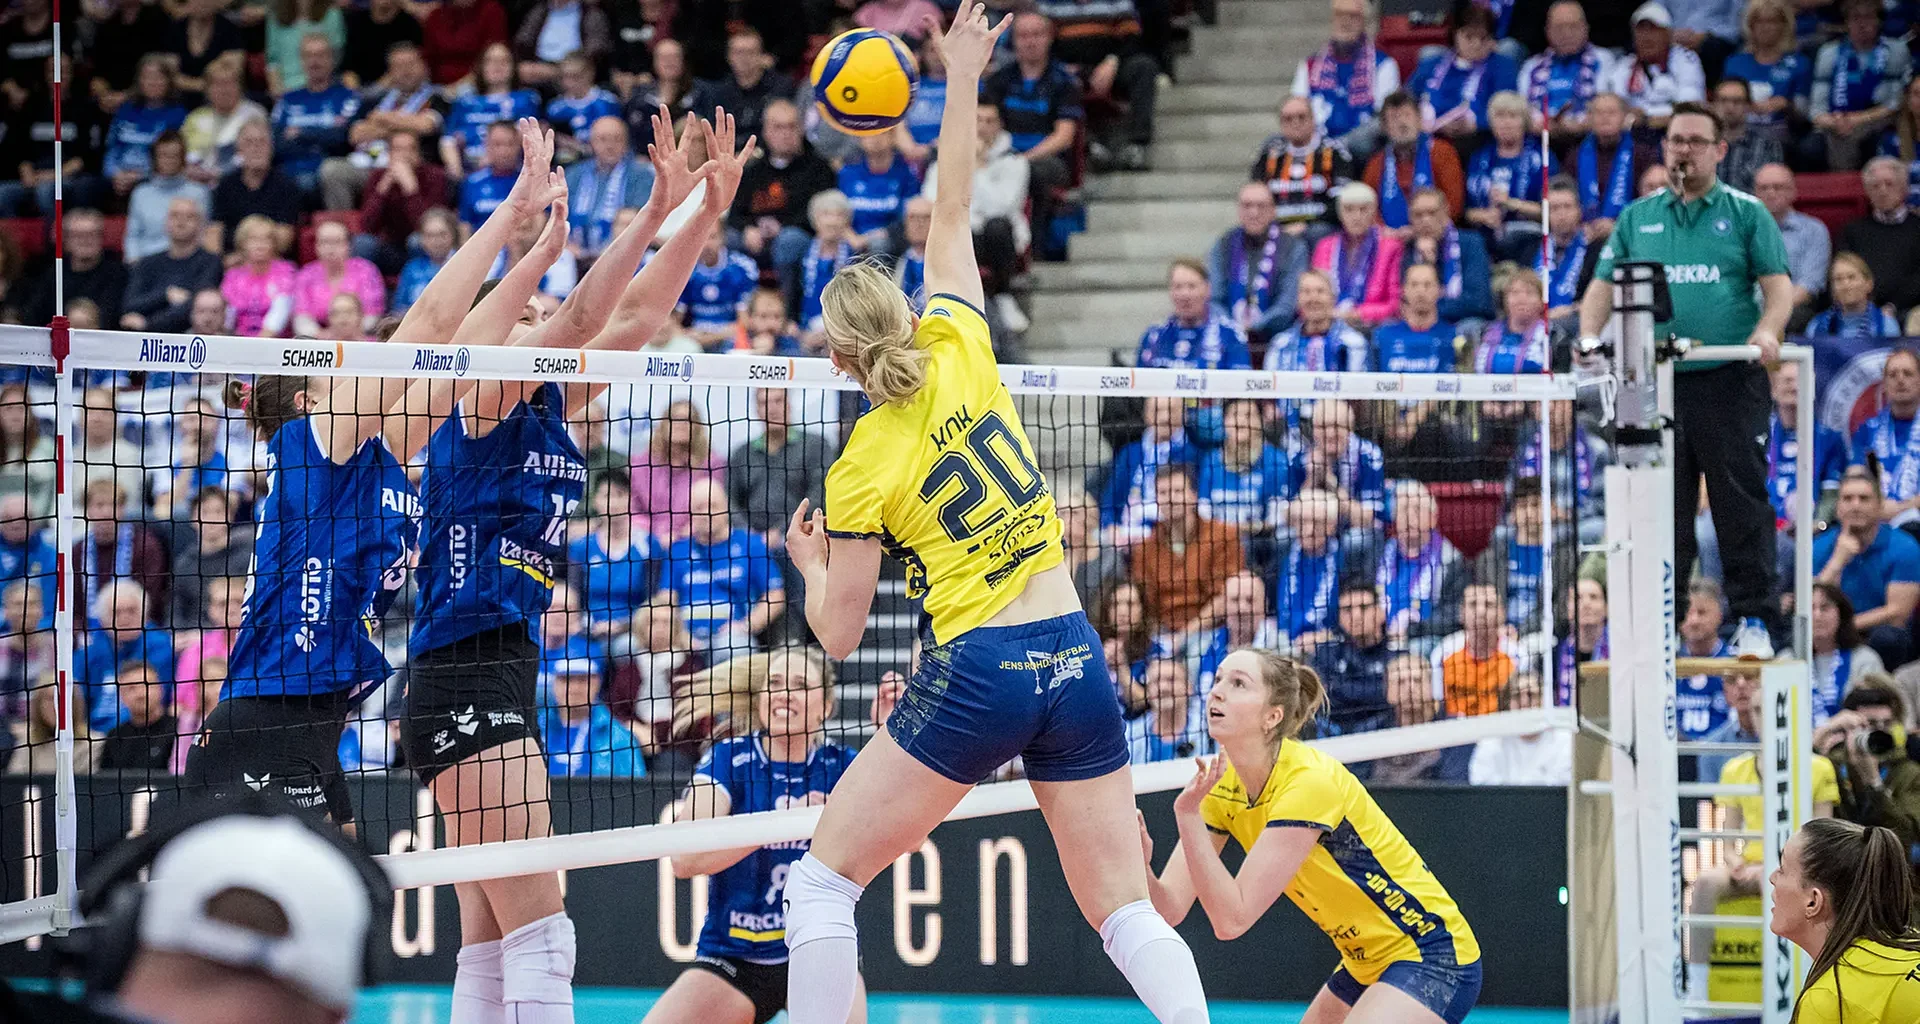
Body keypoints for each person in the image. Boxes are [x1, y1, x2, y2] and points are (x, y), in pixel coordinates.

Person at [778, 11, 1213, 1024]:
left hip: (981, 670)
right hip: (1072, 653)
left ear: (839, 357)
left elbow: (835, 636)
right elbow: (954, 196)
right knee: (1126, 912)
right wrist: (959, 70)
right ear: (903, 311)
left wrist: (808, 565)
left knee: (820, 883)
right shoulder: (959, 341)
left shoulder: (857, 466)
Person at [395, 110, 742, 1024]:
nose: (552, 320)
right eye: (537, 312)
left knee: (489, 928)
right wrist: (629, 215)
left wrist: (696, 211)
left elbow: (629, 318)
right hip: (464, 670)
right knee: (544, 930)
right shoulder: (484, 390)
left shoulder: (549, 398)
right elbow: (589, 313)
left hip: (499, 666)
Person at [1140, 649, 1481, 1023]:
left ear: (1273, 716)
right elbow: (1169, 908)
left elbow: (1231, 920)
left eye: (1238, 684)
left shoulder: (1307, 782)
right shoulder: (1221, 785)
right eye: (1219, 679)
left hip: (1431, 952)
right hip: (1363, 961)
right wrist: (1141, 865)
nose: (1217, 692)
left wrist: (1187, 816)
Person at [1582, 100, 1793, 657]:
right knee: (1661, 509)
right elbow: (1602, 287)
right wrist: (1587, 337)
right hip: (1653, 383)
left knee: (1739, 502)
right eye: (1676, 140)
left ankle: (1755, 623)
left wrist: (1769, 332)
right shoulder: (1637, 217)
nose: (1684, 150)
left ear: (1719, 151)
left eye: (1697, 141)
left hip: (1728, 377)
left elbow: (1778, 288)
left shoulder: (1747, 213)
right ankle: (1661, 626)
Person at [656, 648, 863, 1024]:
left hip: (816, 948)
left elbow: (910, 838)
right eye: (775, 684)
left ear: (826, 706)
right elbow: (685, 859)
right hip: (734, 960)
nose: (784, 694)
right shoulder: (728, 759)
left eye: (800, 686)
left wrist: (890, 738)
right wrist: (780, 822)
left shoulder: (843, 767)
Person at [1769, 818, 1920, 1021]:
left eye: (1783, 869)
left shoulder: (1831, 1000)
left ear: (1813, 902)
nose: (1772, 877)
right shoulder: (1908, 942)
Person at [981, 13, 1082, 255]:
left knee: (1033, 174)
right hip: (1001, 154)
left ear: (1049, 38)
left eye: (1036, 35)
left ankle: (1034, 250)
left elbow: (1064, 136)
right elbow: (982, 123)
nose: (1030, 41)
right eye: (1023, 36)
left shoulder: (1064, 82)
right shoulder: (999, 80)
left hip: (1047, 160)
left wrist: (1023, 160)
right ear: (1014, 41)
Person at [921, 102, 1031, 323]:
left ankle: (1003, 294)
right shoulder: (944, 161)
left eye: (989, 121)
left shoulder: (1015, 162)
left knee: (996, 227)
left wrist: (976, 166)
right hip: (961, 235)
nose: (982, 127)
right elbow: (930, 200)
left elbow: (1002, 206)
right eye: (977, 120)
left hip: (998, 239)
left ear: (1000, 125)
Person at [1815, 467, 1920, 670]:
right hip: (1828, 634)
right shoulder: (1820, 547)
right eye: (1848, 498)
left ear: (1880, 505)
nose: (1855, 505)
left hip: (1875, 634)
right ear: (1838, 507)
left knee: (1889, 637)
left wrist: (1843, 628)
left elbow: (1897, 613)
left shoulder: (1904, 547)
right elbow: (1810, 605)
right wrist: (1837, 562)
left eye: (1864, 499)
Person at [1130, 465, 1247, 640]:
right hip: (1162, 636)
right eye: (1163, 493)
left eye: (1178, 491)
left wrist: (1184, 637)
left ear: (1194, 495)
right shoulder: (1145, 549)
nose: (1171, 499)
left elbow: (1226, 597)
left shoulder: (1224, 536)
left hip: (1211, 633)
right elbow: (1146, 604)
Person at [730, 100, 837, 276]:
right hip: (756, 237)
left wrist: (782, 227)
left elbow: (820, 214)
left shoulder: (819, 169)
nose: (786, 133)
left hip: (798, 237)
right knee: (729, 239)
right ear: (766, 131)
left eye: (791, 126)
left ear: (801, 129)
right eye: (778, 127)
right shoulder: (751, 170)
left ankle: (789, 303)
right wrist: (747, 229)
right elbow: (735, 215)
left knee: (789, 240)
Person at [1767, 360, 1849, 574]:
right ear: (1774, 390)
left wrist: (1816, 525)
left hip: (1811, 530)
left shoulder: (1829, 439)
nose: (1794, 386)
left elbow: (1832, 494)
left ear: (1812, 390)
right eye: (1786, 381)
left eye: (1800, 380)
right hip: (1762, 526)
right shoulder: (1759, 434)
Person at [1291, 0, 1401, 160]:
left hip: (1363, 154)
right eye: (1339, 15)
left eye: (1353, 16)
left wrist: (1340, 146)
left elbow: (1383, 120)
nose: (1345, 21)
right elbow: (1296, 110)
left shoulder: (1384, 65)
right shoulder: (1309, 66)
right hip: (1316, 154)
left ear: (1366, 23)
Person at [1811, 0, 1911, 173]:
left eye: (1868, 17)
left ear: (1879, 21)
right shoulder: (1830, 53)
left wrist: (1857, 119)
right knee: (1811, 147)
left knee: (1874, 140)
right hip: (1836, 121)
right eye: (1855, 18)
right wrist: (1835, 122)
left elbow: (1896, 103)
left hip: (1879, 120)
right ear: (1847, 22)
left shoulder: (1895, 51)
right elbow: (1816, 110)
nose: (1862, 24)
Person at [1208, 183, 1308, 344]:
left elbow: (1288, 303)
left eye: (1261, 206)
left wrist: (1252, 328)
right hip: (1228, 339)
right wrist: (1232, 327)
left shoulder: (1293, 247)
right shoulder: (1224, 244)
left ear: (1273, 210)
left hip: (1279, 338)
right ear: (1239, 210)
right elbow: (1214, 298)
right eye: (1247, 206)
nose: (1254, 213)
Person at [1464, 91, 1553, 264]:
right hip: (1485, 239)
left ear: (1524, 121)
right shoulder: (1479, 158)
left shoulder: (1541, 158)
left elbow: (1552, 211)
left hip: (1529, 238)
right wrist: (1483, 216)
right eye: (1500, 116)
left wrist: (1512, 204)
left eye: (1513, 116)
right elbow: (1465, 211)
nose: (1506, 123)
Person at [1409, 4, 1517, 145]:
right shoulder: (1431, 64)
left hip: (1480, 140)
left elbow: (1508, 109)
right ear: (1455, 35)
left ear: (1492, 39)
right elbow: (1407, 100)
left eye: (1483, 38)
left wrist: (1477, 123)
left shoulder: (1503, 66)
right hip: (1430, 139)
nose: (1476, 44)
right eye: (1469, 37)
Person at [1252, 96, 1355, 241]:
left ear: (1313, 119)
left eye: (1301, 117)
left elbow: (1343, 200)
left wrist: (1305, 225)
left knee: (1318, 233)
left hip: (1319, 227)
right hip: (1277, 228)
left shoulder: (1334, 152)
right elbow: (1255, 196)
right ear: (1281, 123)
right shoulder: (1269, 154)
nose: (1296, 123)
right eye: (1288, 118)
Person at [268, 35, 360, 198]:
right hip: (287, 173)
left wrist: (300, 133)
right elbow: (277, 144)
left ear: (332, 59)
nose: (314, 61)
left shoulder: (348, 98)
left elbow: (343, 140)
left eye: (321, 55)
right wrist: (321, 137)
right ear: (301, 61)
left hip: (325, 174)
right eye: (308, 56)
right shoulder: (287, 100)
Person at [1301, 580, 1394, 735]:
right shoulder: (1325, 653)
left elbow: (1391, 698)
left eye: (1364, 608)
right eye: (1347, 610)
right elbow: (1321, 700)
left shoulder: (1396, 655)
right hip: (1333, 736)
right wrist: (1375, 691)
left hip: (1383, 736)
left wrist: (1340, 688)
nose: (1356, 616)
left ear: (1380, 613)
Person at [1364, 91, 1465, 230]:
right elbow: (1368, 208)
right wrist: (1385, 232)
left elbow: (1453, 206)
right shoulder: (1376, 164)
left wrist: (1418, 231)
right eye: (1394, 117)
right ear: (1384, 127)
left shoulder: (1442, 152)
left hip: (1435, 236)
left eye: (1407, 115)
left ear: (1419, 120)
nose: (1402, 123)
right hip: (1389, 241)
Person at [120, 198, 223, 333]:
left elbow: (194, 308)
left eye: (189, 217)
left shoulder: (210, 262)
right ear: (166, 222)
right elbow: (129, 305)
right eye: (175, 216)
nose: (181, 222)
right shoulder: (147, 263)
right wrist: (165, 295)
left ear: (201, 224)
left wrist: (148, 324)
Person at [1519, 1, 1615, 144]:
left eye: (1573, 27)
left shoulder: (1603, 60)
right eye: (1559, 28)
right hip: (1541, 142)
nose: (1566, 33)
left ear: (1586, 28)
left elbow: (1607, 105)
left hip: (1588, 140)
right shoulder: (1531, 66)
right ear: (1547, 31)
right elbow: (1524, 110)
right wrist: (1544, 124)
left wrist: (1580, 123)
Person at [1311, 182, 1403, 329]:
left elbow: (1395, 305)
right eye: (1349, 210)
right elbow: (1313, 293)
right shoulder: (1325, 246)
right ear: (1340, 213)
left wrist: (1356, 314)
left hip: (1374, 327)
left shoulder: (1390, 247)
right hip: (1329, 325)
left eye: (1363, 209)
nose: (1356, 216)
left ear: (1373, 213)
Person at [440, 43, 541, 176]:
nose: (497, 66)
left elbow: (530, 135)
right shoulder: (464, 102)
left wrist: (495, 159)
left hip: (512, 171)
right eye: (490, 61)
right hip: (469, 169)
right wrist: (457, 172)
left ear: (513, 67)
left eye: (504, 61)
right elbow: (448, 140)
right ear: (481, 67)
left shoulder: (526, 98)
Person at [1721, 0, 1810, 148]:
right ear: (1751, 26)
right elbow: (1723, 101)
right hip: (1738, 131)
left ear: (1784, 25)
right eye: (1759, 22)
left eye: (1772, 21)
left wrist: (1786, 105)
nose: (1765, 28)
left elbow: (1803, 112)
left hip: (1781, 134)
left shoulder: (1799, 64)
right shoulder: (1734, 63)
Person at [1838, 158, 1920, 318]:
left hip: (1910, 309)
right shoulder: (1853, 231)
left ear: (1904, 189)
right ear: (1867, 192)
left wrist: (1893, 306)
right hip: (1860, 309)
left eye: (1889, 184)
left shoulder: (1917, 228)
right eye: (1875, 186)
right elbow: (1843, 272)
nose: (1883, 191)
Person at [1604, 3, 1706, 131]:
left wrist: (1646, 120)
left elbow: (1691, 109)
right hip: (1634, 138)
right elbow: (1613, 109)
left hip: (1678, 132)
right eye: (1641, 30)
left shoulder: (1686, 60)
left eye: (1654, 29)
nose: (1646, 37)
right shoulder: (1624, 67)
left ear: (1668, 34)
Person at [1136, 260, 1251, 370]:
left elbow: (1240, 385)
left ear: (1207, 289)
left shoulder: (1231, 335)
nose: (1185, 295)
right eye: (1178, 287)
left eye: (1192, 286)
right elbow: (1139, 386)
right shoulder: (1154, 336)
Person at [1194, 400, 1291, 531]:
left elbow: (1277, 519)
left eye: (1248, 415)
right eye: (1234, 415)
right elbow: (1203, 512)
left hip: (1260, 543)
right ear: (1224, 421)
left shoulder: (1276, 460)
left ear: (1261, 421)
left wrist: (1235, 532)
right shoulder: (1211, 461)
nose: (1240, 421)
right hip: (1217, 543)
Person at [207, 120, 300, 257]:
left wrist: (247, 258)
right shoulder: (225, 185)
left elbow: (284, 240)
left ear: (271, 148)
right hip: (231, 262)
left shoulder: (286, 185)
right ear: (239, 150)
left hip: (271, 262)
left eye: (262, 142)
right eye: (249, 143)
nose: (256, 148)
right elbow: (214, 232)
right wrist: (220, 263)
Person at [1752, 163, 1831, 321]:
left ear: (1793, 192)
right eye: (1763, 188)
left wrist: (1770, 315)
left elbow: (1809, 286)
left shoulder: (1814, 230)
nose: (1771, 193)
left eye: (1778, 187)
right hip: (1746, 311)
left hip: (1791, 311)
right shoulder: (1741, 230)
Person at [291, 219, 385, 336]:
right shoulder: (306, 274)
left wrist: (347, 334)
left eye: (336, 242)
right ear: (316, 246)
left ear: (348, 245)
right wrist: (322, 335)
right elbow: (301, 318)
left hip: (359, 336)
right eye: (324, 242)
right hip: (319, 340)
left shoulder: (366, 270)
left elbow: (372, 315)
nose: (330, 249)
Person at [1263, 270, 1370, 371]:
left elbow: (1359, 387)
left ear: (1333, 298)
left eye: (1320, 291)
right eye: (1306, 292)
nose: (1313, 298)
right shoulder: (1280, 344)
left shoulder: (1353, 344)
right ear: (1298, 300)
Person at [1475, 266, 1550, 374]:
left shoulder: (1552, 336)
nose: (1521, 299)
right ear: (1505, 300)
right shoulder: (1486, 333)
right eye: (1515, 293)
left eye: (1529, 293)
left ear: (1542, 302)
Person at [1808, 252, 1901, 337]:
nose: (1845, 285)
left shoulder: (1886, 325)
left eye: (1851, 277)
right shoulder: (1816, 325)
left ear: (1869, 284)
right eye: (1838, 279)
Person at [1712, 79, 1781, 193]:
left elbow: (1773, 189)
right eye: (1723, 100)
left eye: (1737, 101)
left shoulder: (1768, 145)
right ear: (1714, 104)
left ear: (1748, 105)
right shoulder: (1702, 143)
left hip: (1750, 209)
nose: (1730, 107)